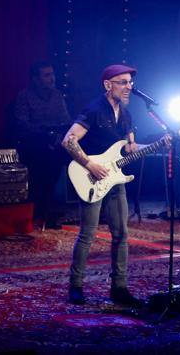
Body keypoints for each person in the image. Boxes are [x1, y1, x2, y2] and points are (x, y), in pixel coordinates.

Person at [61, 63, 167, 306]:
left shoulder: (127, 114)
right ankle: (75, 286)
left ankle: (119, 288)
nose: (129, 87)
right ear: (108, 85)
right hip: (91, 177)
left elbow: (129, 148)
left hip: (115, 179)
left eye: (130, 82)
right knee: (87, 234)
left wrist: (160, 143)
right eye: (123, 82)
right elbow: (69, 140)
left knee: (121, 234)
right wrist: (90, 165)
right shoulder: (94, 110)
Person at [13, 61, 71, 229]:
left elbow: (66, 120)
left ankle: (48, 213)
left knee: (54, 175)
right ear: (36, 79)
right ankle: (33, 215)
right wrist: (46, 134)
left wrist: (57, 136)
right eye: (47, 75)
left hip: (55, 145)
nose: (52, 78)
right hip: (34, 145)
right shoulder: (24, 96)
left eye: (52, 74)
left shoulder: (58, 95)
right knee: (38, 177)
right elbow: (22, 124)